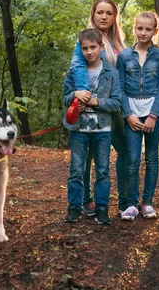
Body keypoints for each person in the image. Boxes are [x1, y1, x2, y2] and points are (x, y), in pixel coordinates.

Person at [69, 0, 127, 216]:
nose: (104, 17)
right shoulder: (85, 41)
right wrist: (85, 98)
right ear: (93, 15)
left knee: (125, 152)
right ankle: (85, 201)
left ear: (114, 17)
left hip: (114, 108)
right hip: (91, 109)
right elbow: (76, 69)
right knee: (86, 157)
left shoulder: (119, 44)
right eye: (100, 12)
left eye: (109, 13)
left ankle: (125, 201)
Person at [63, 29, 121, 225]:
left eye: (93, 47)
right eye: (85, 48)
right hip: (79, 130)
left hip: (102, 131)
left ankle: (102, 207)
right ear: (80, 49)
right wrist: (74, 96)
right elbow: (65, 98)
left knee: (103, 170)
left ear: (101, 47)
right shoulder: (73, 73)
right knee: (77, 169)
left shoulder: (111, 73)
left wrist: (95, 102)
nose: (89, 52)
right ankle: (74, 207)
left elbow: (116, 102)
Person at [117, 12, 159, 220]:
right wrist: (128, 114)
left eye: (148, 29)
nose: (143, 33)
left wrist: (154, 115)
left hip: (152, 113)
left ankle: (147, 202)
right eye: (140, 28)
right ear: (134, 29)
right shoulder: (124, 56)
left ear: (155, 31)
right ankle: (131, 203)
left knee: (152, 158)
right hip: (132, 114)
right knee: (132, 159)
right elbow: (120, 88)